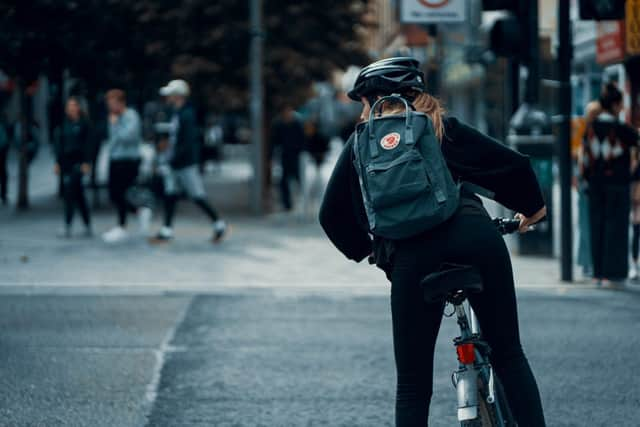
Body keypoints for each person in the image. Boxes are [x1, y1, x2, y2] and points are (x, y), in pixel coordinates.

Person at [319, 57, 547, 427]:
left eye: (364, 103)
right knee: (508, 354)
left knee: (412, 384)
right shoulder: (441, 127)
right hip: (477, 239)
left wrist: (378, 251)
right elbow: (514, 166)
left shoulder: (362, 143)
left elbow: (331, 216)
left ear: (374, 101)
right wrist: (532, 212)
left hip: (413, 257)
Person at [150, 79, 228, 243]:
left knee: (197, 195)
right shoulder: (176, 113)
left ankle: (218, 224)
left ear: (178, 95)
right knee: (170, 194)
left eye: (170, 94)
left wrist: (173, 159)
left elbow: (186, 142)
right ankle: (167, 229)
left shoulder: (186, 115)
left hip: (184, 163)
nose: (167, 98)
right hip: (175, 162)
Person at [581, 83, 639, 285]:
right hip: (618, 185)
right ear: (615, 105)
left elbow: (585, 160)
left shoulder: (590, 129)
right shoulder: (623, 130)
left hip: (595, 185)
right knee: (616, 229)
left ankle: (597, 273)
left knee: (596, 226)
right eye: (620, 104)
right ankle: (613, 273)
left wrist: (588, 178)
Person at [102, 89, 151, 243]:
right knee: (113, 193)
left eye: (113, 103)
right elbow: (113, 139)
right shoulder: (114, 117)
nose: (110, 107)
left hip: (128, 160)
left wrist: (115, 125)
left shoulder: (131, 116)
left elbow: (127, 137)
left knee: (123, 193)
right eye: (108, 104)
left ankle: (123, 225)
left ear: (121, 102)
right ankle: (138, 211)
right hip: (115, 159)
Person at [53, 97, 93, 237]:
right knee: (79, 195)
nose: (71, 108)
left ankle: (68, 225)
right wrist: (57, 162)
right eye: (69, 105)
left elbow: (88, 144)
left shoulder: (84, 124)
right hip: (67, 163)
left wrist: (87, 162)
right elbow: (59, 145)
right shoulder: (64, 125)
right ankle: (87, 223)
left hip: (79, 163)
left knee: (70, 193)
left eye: (74, 105)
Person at [271, 104, 305, 211]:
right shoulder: (279, 124)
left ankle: (301, 199)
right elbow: (275, 141)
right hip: (285, 155)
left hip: (296, 155)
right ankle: (287, 203)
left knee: (298, 178)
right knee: (284, 180)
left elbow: (302, 139)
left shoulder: (297, 123)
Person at [0, 114, 8, 205]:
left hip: (2, 152)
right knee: (3, 174)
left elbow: (4, 141)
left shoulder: (1, 127)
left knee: (3, 174)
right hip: (2, 152)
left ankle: (3, 194)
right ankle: (3, 194)